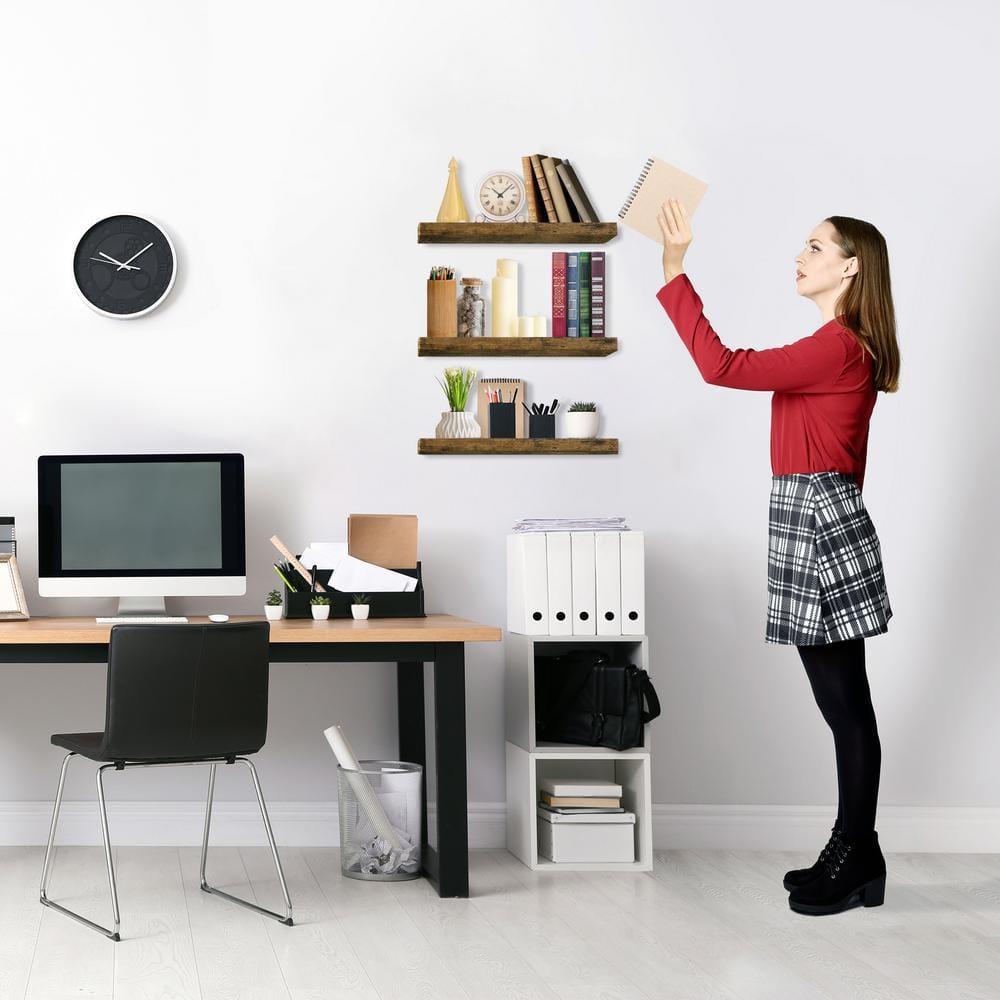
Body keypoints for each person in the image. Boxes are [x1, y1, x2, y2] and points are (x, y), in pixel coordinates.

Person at [656, 198, 900, 916]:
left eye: (816, 247)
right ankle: (856, 846)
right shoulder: (839, 345)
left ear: (852, 267)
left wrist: (675, 269)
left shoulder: (839, 345)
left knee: (845, 705)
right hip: (808, 519)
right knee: (842, 701)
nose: (801, 255)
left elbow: (722, 366)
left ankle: (857, 853)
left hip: (819, 523)